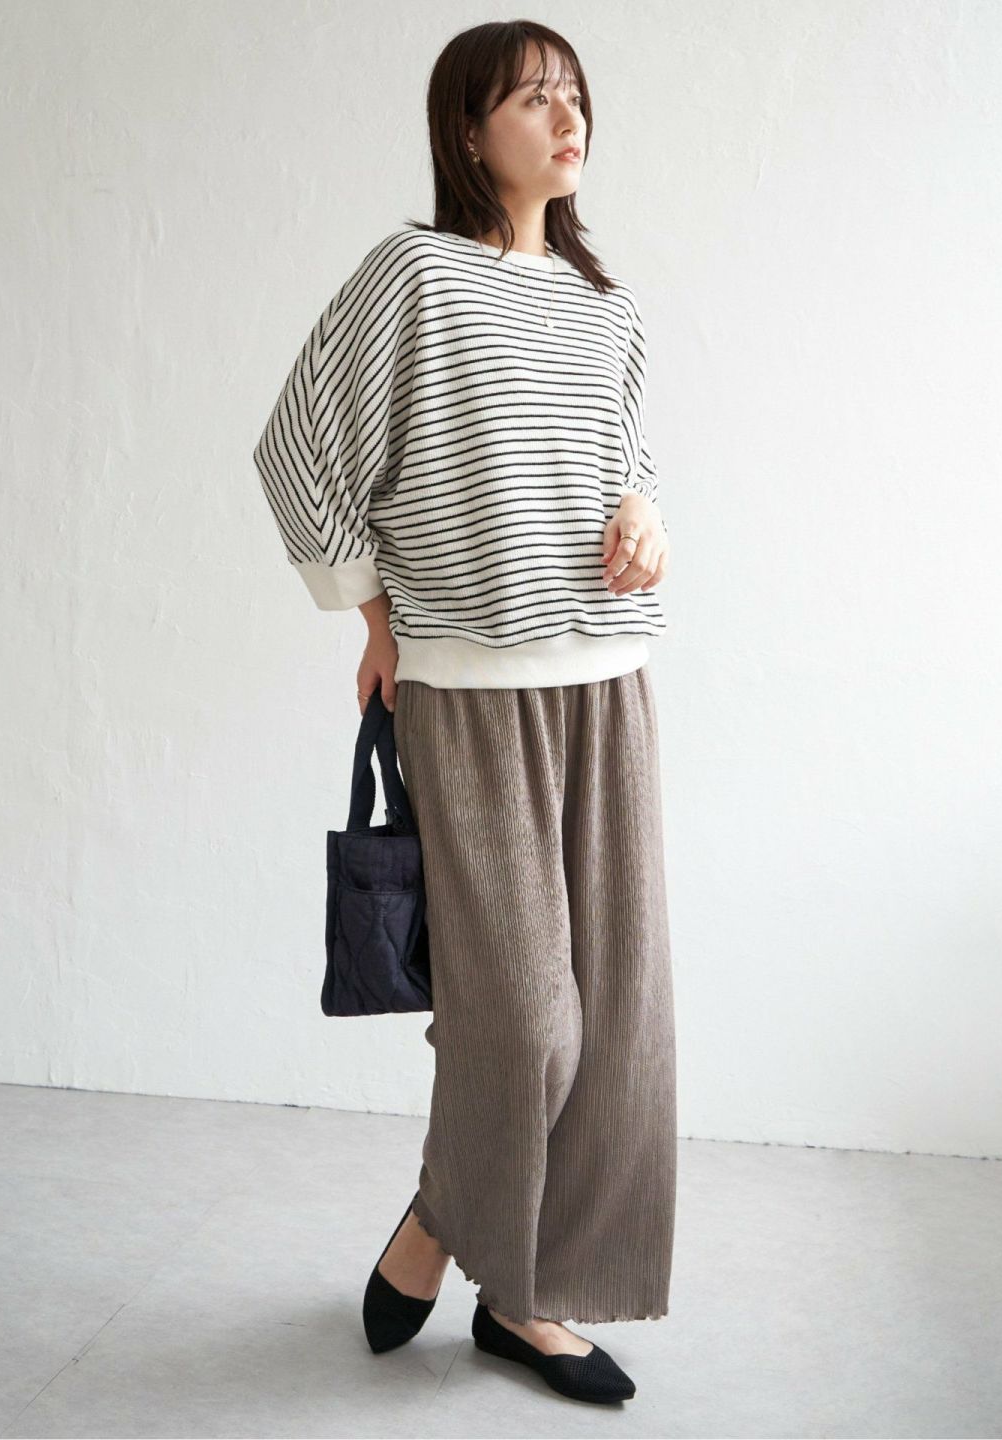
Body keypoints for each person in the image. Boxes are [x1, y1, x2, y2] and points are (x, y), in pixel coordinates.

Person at [253, 19, 676, 1406]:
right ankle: (447, 1220)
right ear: (467, 130)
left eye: (574, 95)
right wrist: (374, 618)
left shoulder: (607, 307)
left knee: (614, 1021)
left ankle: (523, 1297)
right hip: (471, 687)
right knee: (524, 1018)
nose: (565, 117)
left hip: (608, 679)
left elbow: (632, 473)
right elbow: (299, 446)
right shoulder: (417, 276)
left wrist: (645, 522)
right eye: (532, 97)